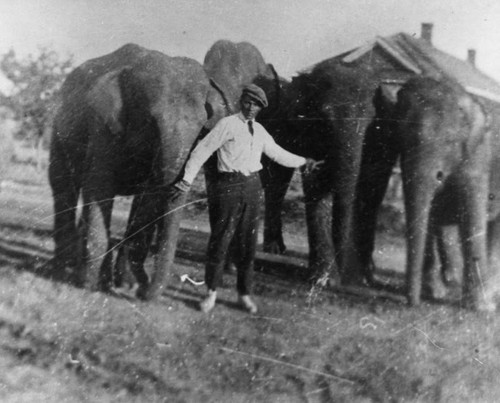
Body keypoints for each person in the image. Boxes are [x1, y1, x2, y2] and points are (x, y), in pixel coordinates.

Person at [170, 84, 323, 314]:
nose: (252, 107)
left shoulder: (260, 130)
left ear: (261, 108)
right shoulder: (227, 124)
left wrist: (304, 161)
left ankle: (244, 294)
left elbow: (277, 153)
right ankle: (211, 293)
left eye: (257, 104)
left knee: (248, 244)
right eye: (249, 102)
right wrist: (187, 179)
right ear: (241, 101)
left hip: (253, 187)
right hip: (228, 186)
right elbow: (202, 150)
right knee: (220, 241)